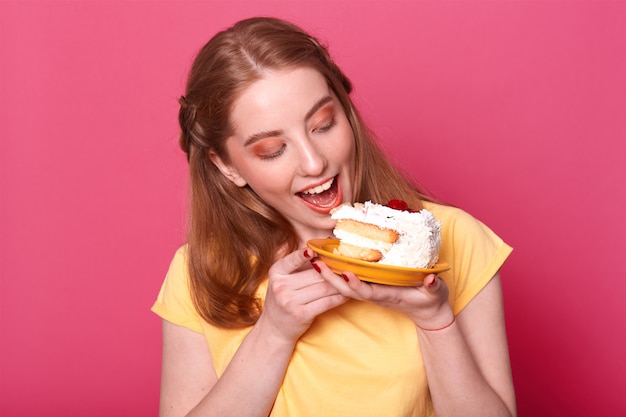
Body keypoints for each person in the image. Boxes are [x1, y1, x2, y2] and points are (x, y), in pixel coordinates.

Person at [152, 16, 516, 417]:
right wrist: (273, 333)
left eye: (323, 125)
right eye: (273, 149)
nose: (314, 162)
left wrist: (434, 319)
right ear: (226, 166)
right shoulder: (200, 271)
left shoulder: (455, 238)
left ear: (347, 112)